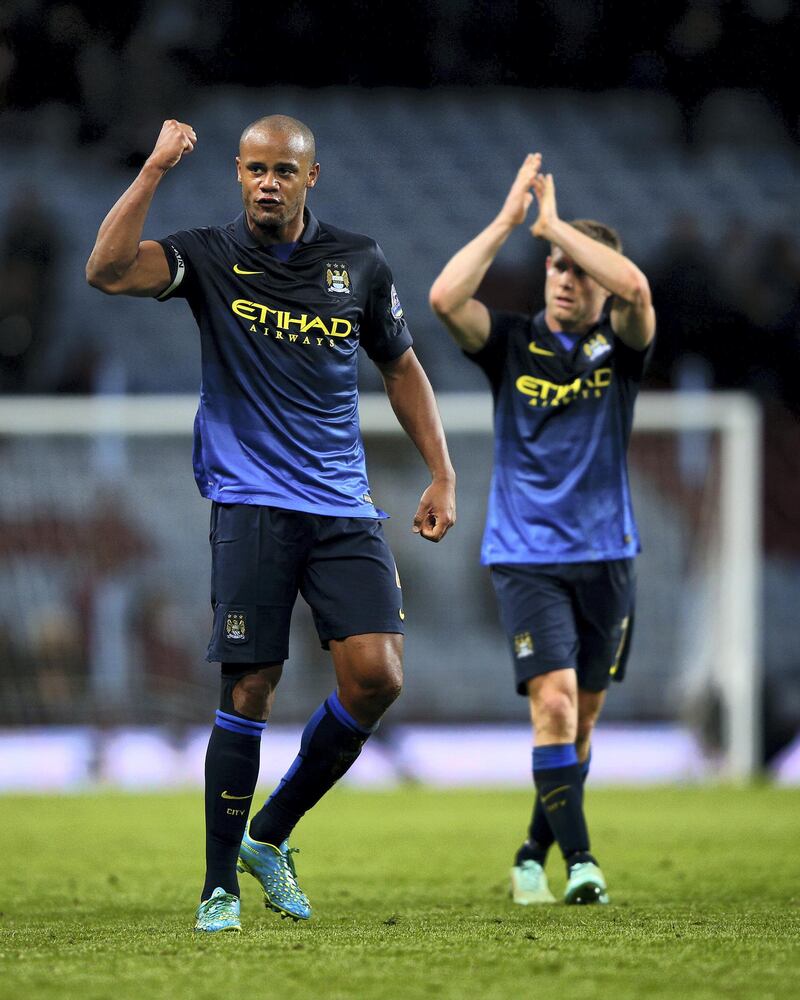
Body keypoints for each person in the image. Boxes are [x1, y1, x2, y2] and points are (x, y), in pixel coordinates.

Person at [87, 116, 456, 932]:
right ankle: (219, 885)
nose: (266, 183)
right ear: (238, 174)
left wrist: (441, 470)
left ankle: (270, 833)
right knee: (249, 685)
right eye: (254, 169)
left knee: (379, 677)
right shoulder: (210, 255)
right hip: (251, 501)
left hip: (344, 505)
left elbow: (400, 364)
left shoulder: (358, 263)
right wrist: (152, 170)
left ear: (310, 178)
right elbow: (107, 270)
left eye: (283, 171)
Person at [429, 153, 654, 906]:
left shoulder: (621, 348)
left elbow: (636, 289)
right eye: (555, 264)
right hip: (526, 554)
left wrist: (558, 222)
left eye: (576, 270)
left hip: (608, 555)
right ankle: (582, 864)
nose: (562, 276)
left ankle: (532, 850)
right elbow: (442, 296)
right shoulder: (512, 343)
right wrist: (509, 223)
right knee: (553, 704)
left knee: (581, 719)